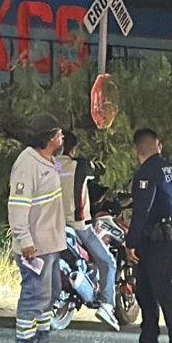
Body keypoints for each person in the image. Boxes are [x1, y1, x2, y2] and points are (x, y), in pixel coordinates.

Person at [8, 120, 69, 343]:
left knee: (48, 297)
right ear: (49, 137)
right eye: (59, 133)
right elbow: (18, 206)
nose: (62, 137)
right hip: (35, 247)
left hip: (50, 244)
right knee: (34, 297)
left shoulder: (49, 161)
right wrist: (24, 240)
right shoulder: (27, 163)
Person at [126, 126, 172, 343]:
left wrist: (131, 242)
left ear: (137, 149)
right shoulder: (169, 170)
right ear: (158, 145)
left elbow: (142, 210)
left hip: (154, 242)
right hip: (169, 237)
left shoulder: (146, 172)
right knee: (152, 294)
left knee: (156, 297)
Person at [59, 132, 119, 330]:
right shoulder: (81, 165)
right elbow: (99, 171)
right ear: (73, 149)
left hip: (51, 225)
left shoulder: (48, 167)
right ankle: (107, 306)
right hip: (78, 226)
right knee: (108, 262)